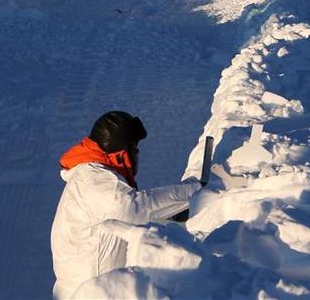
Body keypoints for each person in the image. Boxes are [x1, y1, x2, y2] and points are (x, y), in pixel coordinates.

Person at [50, 111, 203, 299]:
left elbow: (129, 213)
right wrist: (195, 191)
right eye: (135, 149)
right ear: (121, 154)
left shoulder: (90, 176)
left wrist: (171, 214)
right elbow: (133, 208)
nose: (137, 155)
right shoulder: (94, 180)